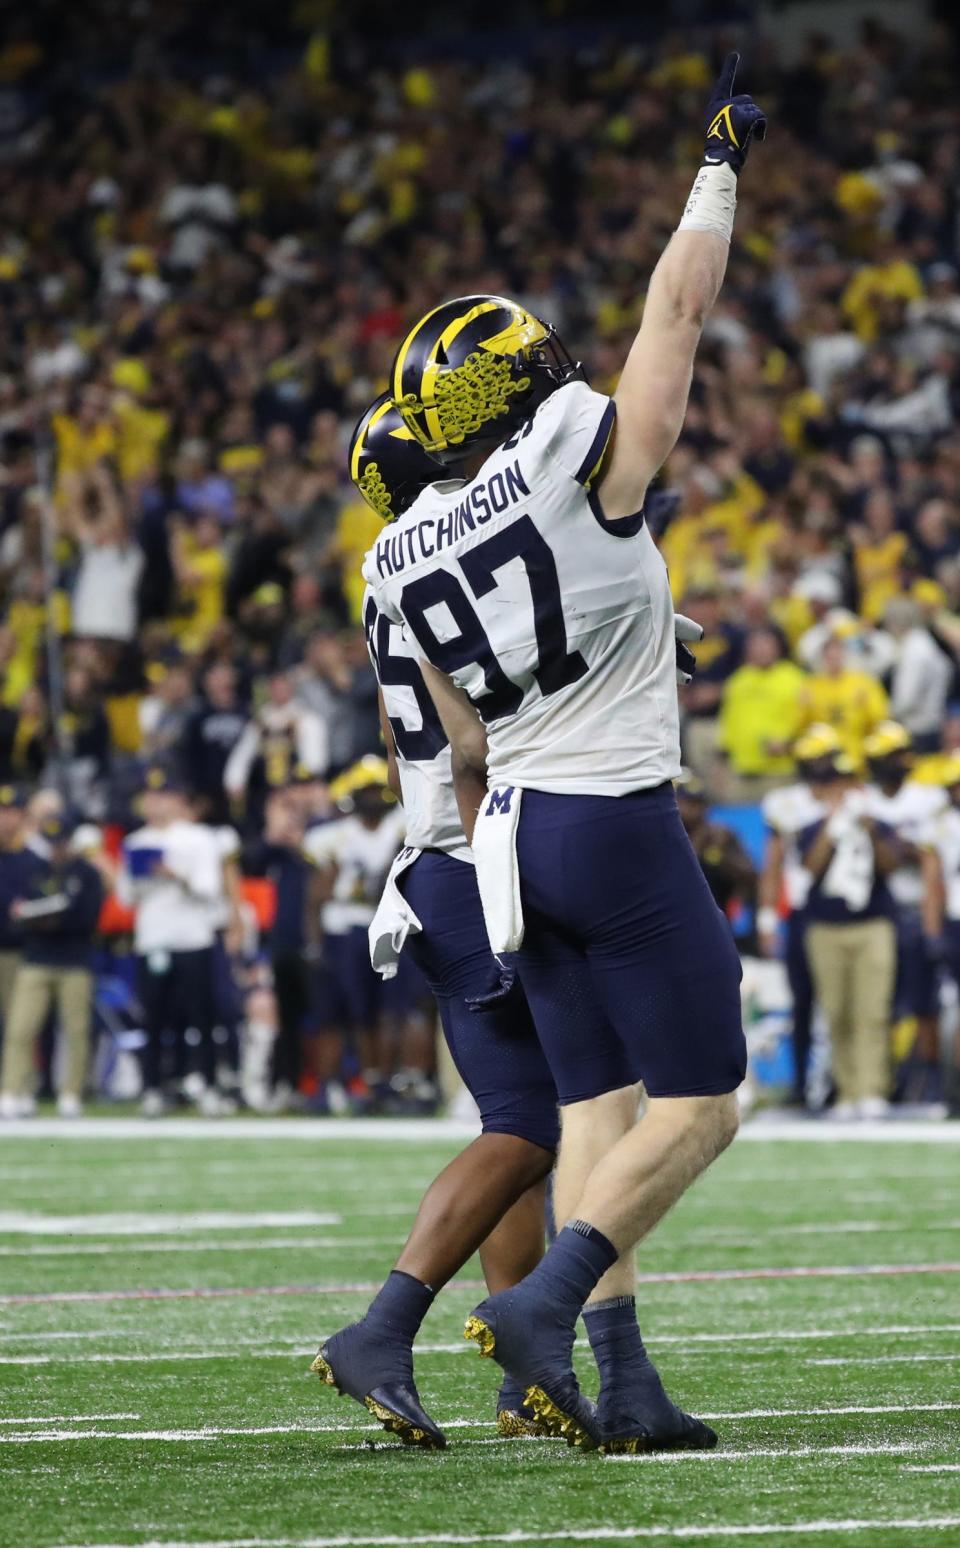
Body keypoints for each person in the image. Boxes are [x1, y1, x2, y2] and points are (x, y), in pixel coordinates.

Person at [364, 57, 765, 1449]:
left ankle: (628, 1382)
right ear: (521, 374)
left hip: (511, 832)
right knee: (711, 1103)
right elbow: (678, 305)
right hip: (611, 813)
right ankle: (552, 1303)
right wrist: (717, 168)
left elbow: (464, 724)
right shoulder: (576, 452)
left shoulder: (406, 543)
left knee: (595, 1101)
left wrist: (644, 640)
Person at [315, 398, 696, 1450]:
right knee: (547, 1122)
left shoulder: (397, 567)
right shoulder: (449, 552)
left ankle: (520, 1377)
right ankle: (386, 1329)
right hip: (470, 851)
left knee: (528, 1122)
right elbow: (478, 739)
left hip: (438, 861)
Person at [116, 766, 227, 1115]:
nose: (154, 803)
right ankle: (153, 1087)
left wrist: (175, 875)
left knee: (201, 1018)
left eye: (161, 795)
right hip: (153, 939)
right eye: (149, 796)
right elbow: (125, 897)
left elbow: (210, 890)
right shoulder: (136, 842)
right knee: (153, 1019)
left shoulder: (198, 838)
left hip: (193, 938)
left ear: (177, 799)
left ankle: (206, 1085)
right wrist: (143, 876)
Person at [799, 768, 901, 1119]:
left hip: (873, 925)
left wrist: (870, 830)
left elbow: (891, 866)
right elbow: (810, 868)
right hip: (826, 928)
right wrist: (831, 828)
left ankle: (872, 1089)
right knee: (836, 1010)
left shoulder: (877, 825)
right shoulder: (813, 827)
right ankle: (846, 1090)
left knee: (873, 1009)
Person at [863, 721, 946, 1104]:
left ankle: (929, 1078)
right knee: (881, 1002)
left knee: (925, 1002)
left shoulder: (927, 798)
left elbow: (931, 857)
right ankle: (887, 1078)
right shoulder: (864, 799)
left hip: (916, 908)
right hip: (875, 910)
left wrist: (896, 844)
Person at [0, 810, 103, 1118]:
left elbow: (87, 918)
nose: (57, 848)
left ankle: (71, 1092)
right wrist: (41, 919)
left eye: (61, 842)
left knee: (75, 1029)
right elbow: (18, 914)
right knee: (20, 1028)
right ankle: (13, 1090)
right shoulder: (37, 869)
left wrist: (50, 920)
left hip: (74, 961)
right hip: (37, 958)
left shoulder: (86, 873)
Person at [758, 726, 841, 1107]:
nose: (819, 767)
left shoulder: (852, 797)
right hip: (804, 911)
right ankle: (803, 1085)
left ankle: (839, 1083)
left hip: (847, 909)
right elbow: (773, 864)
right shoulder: (785, 802)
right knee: (803, 1000)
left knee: (842, 1002)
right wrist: (767, 919)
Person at [716, 626, 806, 799]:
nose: (761, 650)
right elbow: (728, 722)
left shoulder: (794, 679)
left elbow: (805, 720)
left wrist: (787, 742)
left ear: (777, 648)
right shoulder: (738, 680)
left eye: (766, 645)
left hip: (779, 771)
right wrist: (721, 763)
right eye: (756, 645)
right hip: (742, 770)